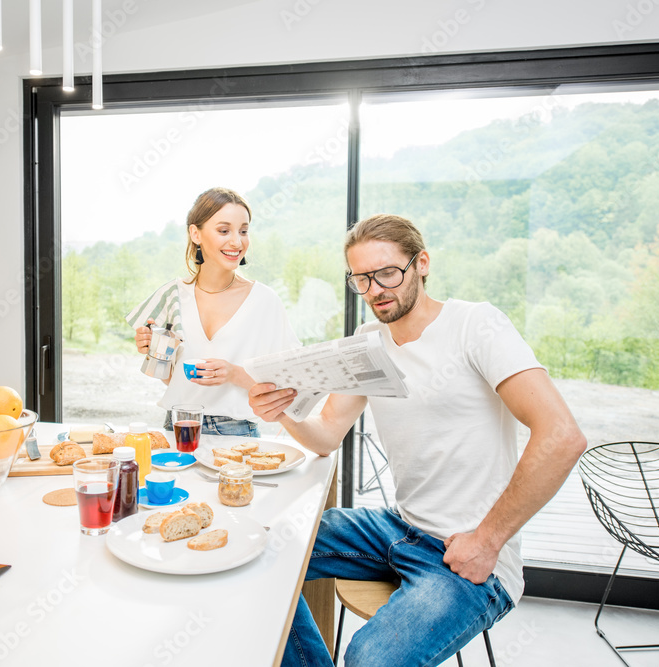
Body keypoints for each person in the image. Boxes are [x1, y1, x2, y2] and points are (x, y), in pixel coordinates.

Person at [248, 214, 587, 667]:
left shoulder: (476, 325)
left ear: (421, 263)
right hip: (398, 528)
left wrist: (487, 541)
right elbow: (326, 435)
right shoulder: (368, 340)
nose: (375, 290)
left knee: (369, 657)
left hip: (468, 555)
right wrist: (284, 410)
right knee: (258, 550)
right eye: (362, 279)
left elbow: (563, 437)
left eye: (387, 273)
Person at [132, 187, 299, 437]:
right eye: (224, 231)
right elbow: (172, 380)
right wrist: (154, 352)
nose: (237, 241)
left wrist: (233, 373)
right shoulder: (172, 295)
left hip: (238, 431)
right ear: (195, 233)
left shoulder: (265, 301)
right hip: (177, 426)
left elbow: (287, 386)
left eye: (243, 231)